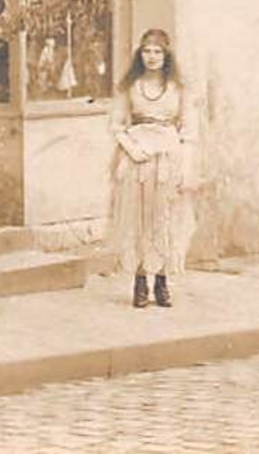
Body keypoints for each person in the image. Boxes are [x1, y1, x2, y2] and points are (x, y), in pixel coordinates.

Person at [108, 28, 196, 308]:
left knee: (164, 217)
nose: (152, 57)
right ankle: (140, 280)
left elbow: (189, 130)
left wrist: (185, 165)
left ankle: (162, 281)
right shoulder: (129, 87)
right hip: (137, 159)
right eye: (147, 51)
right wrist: (133, 150)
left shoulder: (178, 88)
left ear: (166, 54)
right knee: (138, 219)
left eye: (158, 51)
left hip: (168, 159)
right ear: (140, 54)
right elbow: (117, 125)